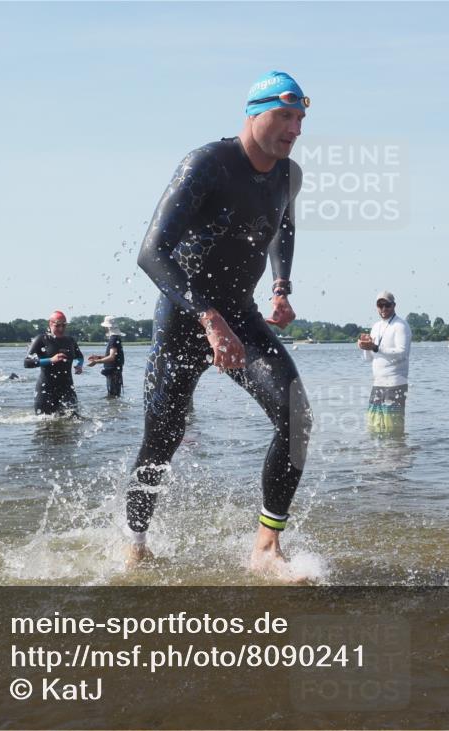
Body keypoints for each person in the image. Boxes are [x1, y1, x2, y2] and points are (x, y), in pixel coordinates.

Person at [125, 71, 312, 577]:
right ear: (253, 113)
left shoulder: (287, 175)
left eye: (300, 118)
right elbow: (151, 253)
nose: (294, 128)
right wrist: (209, 319)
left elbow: (283, 228)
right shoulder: (207, 163)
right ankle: (134, 543)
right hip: (185, 319)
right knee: (160, 442)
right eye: (285, 115)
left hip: (242, 316)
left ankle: (266, 547)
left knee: (296, 418)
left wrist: (281, 287)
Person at [358, 291, 413, 434]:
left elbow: (402, 353)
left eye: (387, 305)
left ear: (394, 305)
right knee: (374, 426)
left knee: (393, 428)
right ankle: (380, 456)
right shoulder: (376, 326)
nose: (383, 309)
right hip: (377, 383)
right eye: (380, 305)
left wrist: (375, 347)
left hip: (395, 382)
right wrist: (365, 347)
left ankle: (397, 454)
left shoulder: (400, 325)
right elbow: (369, 358)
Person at [24, 311, 84, 416]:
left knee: (74, 423)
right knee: (45, 425)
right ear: (50, 324)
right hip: (46, 390)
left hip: (67, 389)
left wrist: (79, 365)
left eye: (64, 325)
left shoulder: (70, 340)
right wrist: (50, 360)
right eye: (57, 325)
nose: (61, 329)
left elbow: (80, 357)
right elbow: (27, 362)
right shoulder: (41, 340)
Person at [87, 315, 125, 397]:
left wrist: (96, 362)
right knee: (115, 396)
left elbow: (111, 357)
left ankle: (113, 409)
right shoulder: (116, 338)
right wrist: (99, 357)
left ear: (107, 327)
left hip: (113, 373)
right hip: (116, 372)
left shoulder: (113, 339)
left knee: (112, 396)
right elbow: (113, 356)